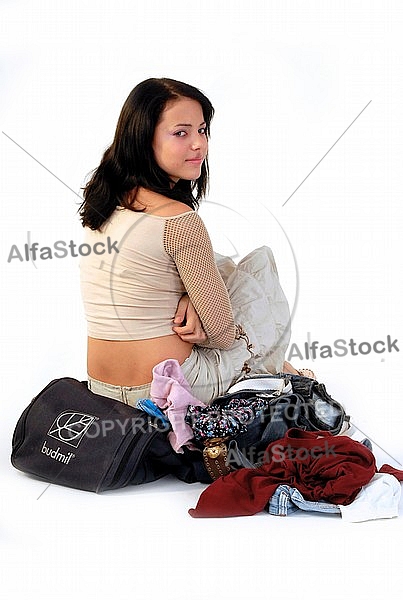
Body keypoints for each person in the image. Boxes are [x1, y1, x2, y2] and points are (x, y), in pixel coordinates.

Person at [79, 77, 309, 406]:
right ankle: (275, 374)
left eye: (202, 130)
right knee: (260, 266)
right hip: (171, 389)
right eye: (181, 133)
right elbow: (222, 334)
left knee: (220, 266)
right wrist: (208, 323)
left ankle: (269, 370)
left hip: (101, 388)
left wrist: (191, 293)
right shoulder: (180, 220)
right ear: (144, 139)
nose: (199, 144)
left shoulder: (104, 202)